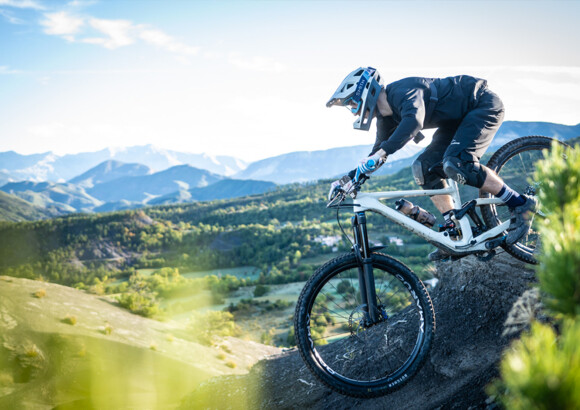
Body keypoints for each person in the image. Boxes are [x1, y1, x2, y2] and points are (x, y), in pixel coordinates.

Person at [326, 67, 537, 261]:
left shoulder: (402, 90)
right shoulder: (386, 118)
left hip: (481, 105)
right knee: (423, 169)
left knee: (458, 164)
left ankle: (521, 203)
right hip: (456, 122)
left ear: (366, 92)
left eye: (352, 103)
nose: (352, 111)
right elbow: (378, 153)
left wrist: (382, 152)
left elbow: (413, 122)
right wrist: (349, 180)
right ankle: (454, 231)